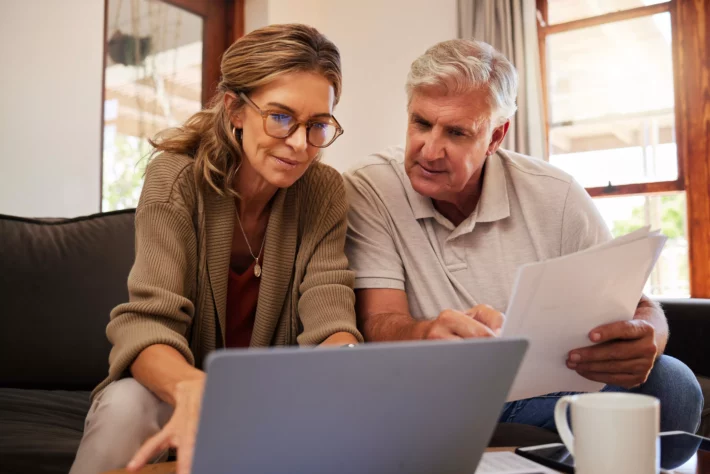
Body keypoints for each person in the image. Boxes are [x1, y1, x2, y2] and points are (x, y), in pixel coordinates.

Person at [344, 39, 702, 435]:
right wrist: (425, 335)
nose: (429, 151)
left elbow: (638, 305)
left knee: (673, 384)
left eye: (457, 133)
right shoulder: (371, 187)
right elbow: (378, 320)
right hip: (439, 397)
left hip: (552, 390)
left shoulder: (556, 193)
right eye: (421, 123)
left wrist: (650, 337)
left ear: (496, 138)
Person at [70, 24, 362, 474]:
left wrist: (342, 365)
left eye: (318, 125)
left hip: (273, 403)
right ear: (235, 110)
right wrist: (194, 390)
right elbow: (148, 324)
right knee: (126, 404)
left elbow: (330, 321)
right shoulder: (176, 178)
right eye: (280, 117)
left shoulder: (324, 191)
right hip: (174, 391)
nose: (301, 145)